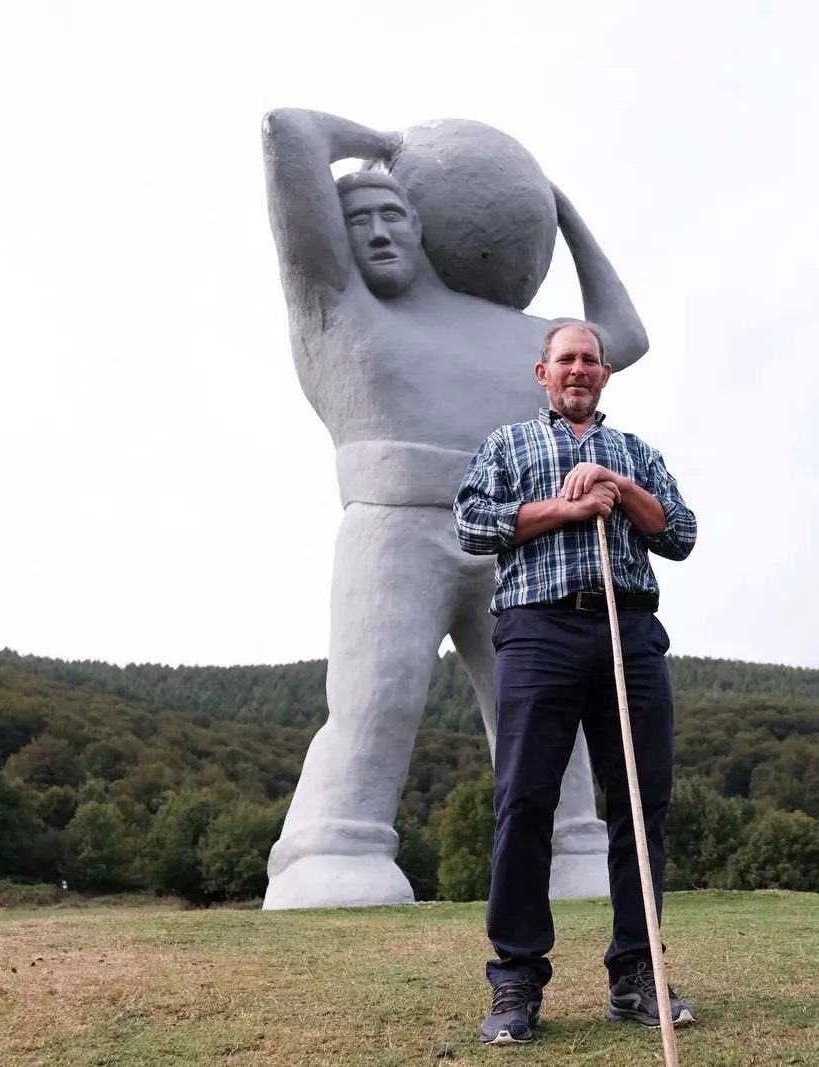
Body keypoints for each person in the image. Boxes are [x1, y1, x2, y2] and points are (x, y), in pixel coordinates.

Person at [258, 108, 650, 907]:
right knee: (379, 693)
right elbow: (287, 132)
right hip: (395, 522)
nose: (377, 236)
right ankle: (337, 843)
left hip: (516, 536)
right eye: (357, 221)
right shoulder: (335, 302)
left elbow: (624, 334)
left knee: (541, 709)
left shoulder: (513, 336)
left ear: (427, 227)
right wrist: (387, 150)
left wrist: (559, 207)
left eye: (395, 215)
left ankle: (572, 847)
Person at [454, 321, 698, 1045]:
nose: (579, 369)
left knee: (639, 803)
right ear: (543, 373)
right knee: (526, 799)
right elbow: (471, 524)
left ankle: (635, 975)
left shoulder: (635, 453)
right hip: (538, 631)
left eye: (591, 359)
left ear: (605, 373)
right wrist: (568, 507)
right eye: (566, 359)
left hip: (628, 630)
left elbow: (679, 533)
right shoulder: (506, 445)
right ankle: (517, 981)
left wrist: (617, 488)